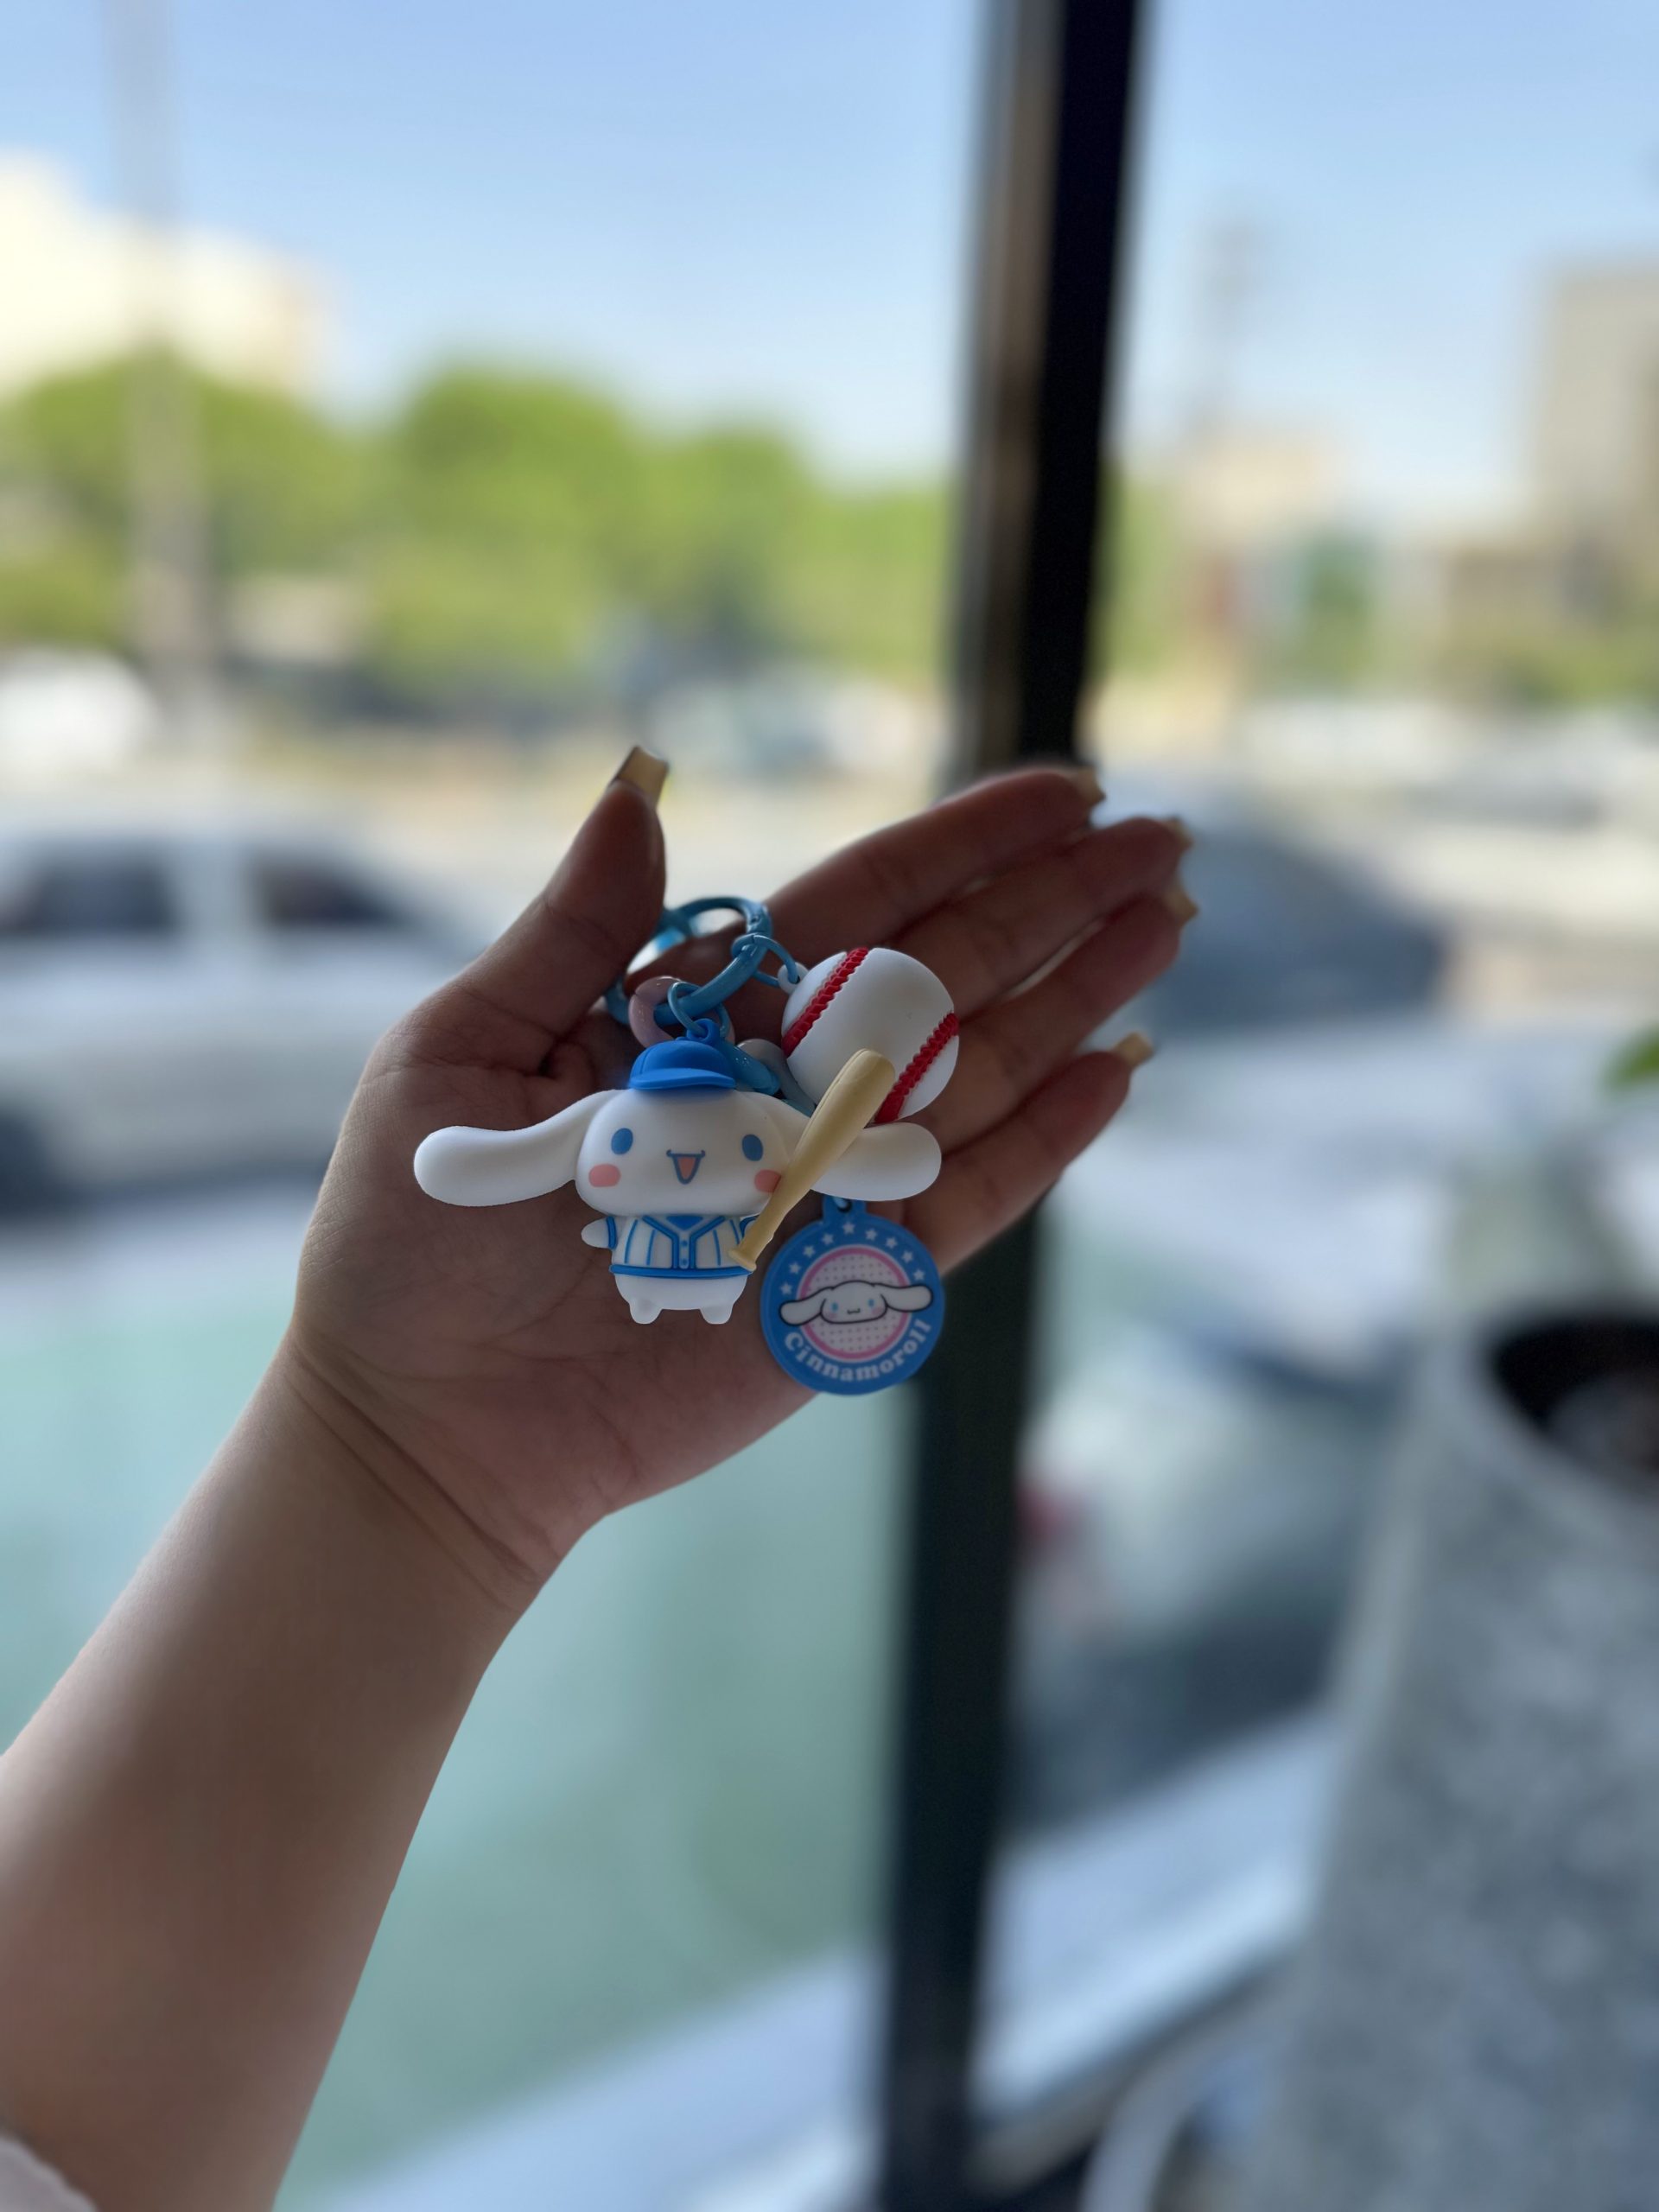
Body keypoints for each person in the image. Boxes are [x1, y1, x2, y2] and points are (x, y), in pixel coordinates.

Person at [0, 751, 1192, 2212]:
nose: (678, 1175)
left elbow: (56, 2146)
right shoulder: (704, 1145)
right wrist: (390, 1445)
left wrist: (392, 1447)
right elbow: (487, 1165)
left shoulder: (761, 1139)